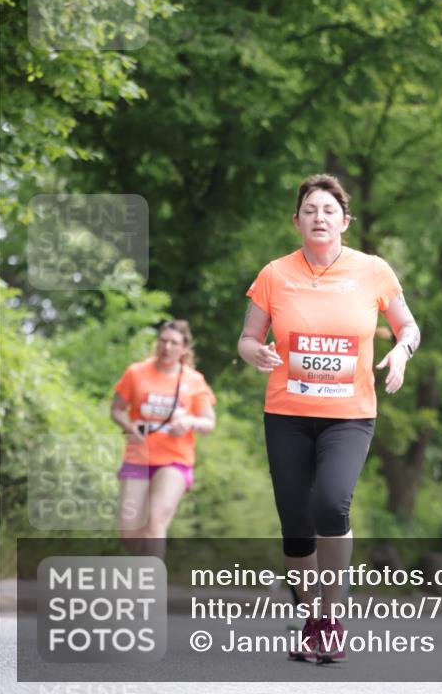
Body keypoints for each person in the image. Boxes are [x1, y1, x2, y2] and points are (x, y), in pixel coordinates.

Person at [238, 173, 420, 663]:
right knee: (296, 525)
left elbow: (408, 326)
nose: (319, 217)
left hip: (349, 416)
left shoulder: (373, 271)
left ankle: (330, 618)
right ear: (296, 221)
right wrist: (256, 353)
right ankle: (312, 618)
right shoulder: (275, 274)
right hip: (287, 414)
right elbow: (248, 338)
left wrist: (401, 352)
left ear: (345, 221)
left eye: (329, 210)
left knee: (331, 504)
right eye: (310, 210)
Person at [110, 319, 216, 556]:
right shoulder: (136, 373)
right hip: (138, 457)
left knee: (155, 522)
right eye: (163, 341)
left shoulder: (194, 380)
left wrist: (190, 422)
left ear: (184, 348)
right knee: (129, 535)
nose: (167, 347)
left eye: (174, 343)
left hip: (175, 460)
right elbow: (116, 409)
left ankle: (151, 577)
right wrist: (129, 426)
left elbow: (209, 422)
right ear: (157, 343)